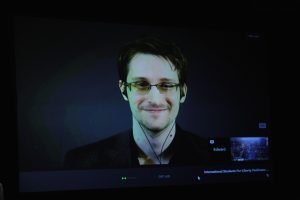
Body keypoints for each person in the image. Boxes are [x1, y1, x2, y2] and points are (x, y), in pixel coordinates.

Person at [64, 37, 212, 169]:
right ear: (123, 90)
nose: (155, 100)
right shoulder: (81, 163)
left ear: (183, 92)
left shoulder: (215, 157)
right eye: (141, 84)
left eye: (166, 85)